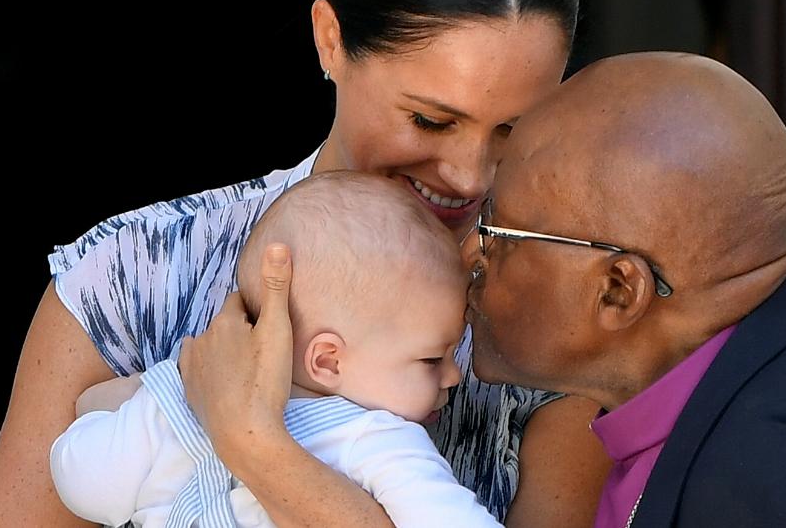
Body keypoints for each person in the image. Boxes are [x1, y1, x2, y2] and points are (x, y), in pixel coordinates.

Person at [0, 0, 611, 526]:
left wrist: (253, 444)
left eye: (513, 129)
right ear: (331, 40)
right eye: (429, 120)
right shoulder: (138, 276)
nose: (471, 175)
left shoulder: (553, 316)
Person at [457, 52, 786, 527]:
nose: (471, 254)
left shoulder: (775, 489)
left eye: (497, 232)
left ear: (618, 290)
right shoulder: (782, 364)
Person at [49, 173, 504, 528]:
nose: (453, 376)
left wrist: (123, 401)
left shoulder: (179, 399)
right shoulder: (379, 440)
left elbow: (86, 487)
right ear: (327, 360)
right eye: (431, 359)